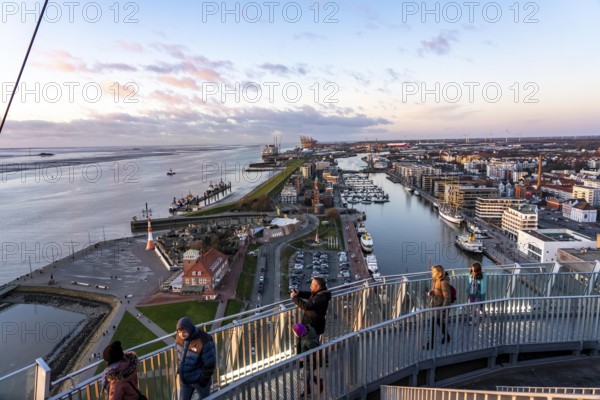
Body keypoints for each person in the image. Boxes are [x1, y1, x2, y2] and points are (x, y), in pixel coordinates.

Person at [175, 317, 216, 400]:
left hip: (200, 381)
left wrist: (203, 381)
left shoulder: (204, 340)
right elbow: (180, 356)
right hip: (185, 380)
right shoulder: (179, 338)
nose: (181, 334)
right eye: (179, 332)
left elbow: (210, 363)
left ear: (190, 329)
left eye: (184, 332)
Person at [424, 265, 451, 349]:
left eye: (434, 271)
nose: (432, 273)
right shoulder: (435, 280)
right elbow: (438, 291)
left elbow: (447, 297)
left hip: (439, 308)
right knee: (439, 322)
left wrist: (443, 310)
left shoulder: (443, 282)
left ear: (439, 273)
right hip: (435, 306)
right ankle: (447, 337)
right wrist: (432, 292)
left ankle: (431, 343)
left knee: (432, 324)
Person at [293, 323, 323, 397]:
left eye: (295, 333)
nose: (295, 334)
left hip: (311, 362)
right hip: (309, 361)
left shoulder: (308, 341)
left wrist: (304, 358)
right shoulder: (308, 332)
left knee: (306, 376)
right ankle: (319, 382)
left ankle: (308, 390)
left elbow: (315, 353)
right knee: (308, 375)